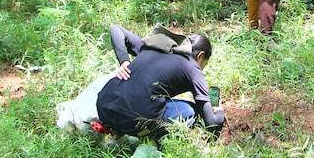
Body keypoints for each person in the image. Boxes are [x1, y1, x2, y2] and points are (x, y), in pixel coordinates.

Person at [96, 24, 225, 139]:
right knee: (191, 111)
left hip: (103, 107)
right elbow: (211, 124)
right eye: (205, 64)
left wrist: (124, 60)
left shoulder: (153, 47)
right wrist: (218, 109)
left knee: (152, 100)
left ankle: (116, 129)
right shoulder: (193, 69)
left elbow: (115, 28)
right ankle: (150, 141)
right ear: (200, 56)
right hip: (135, 121)